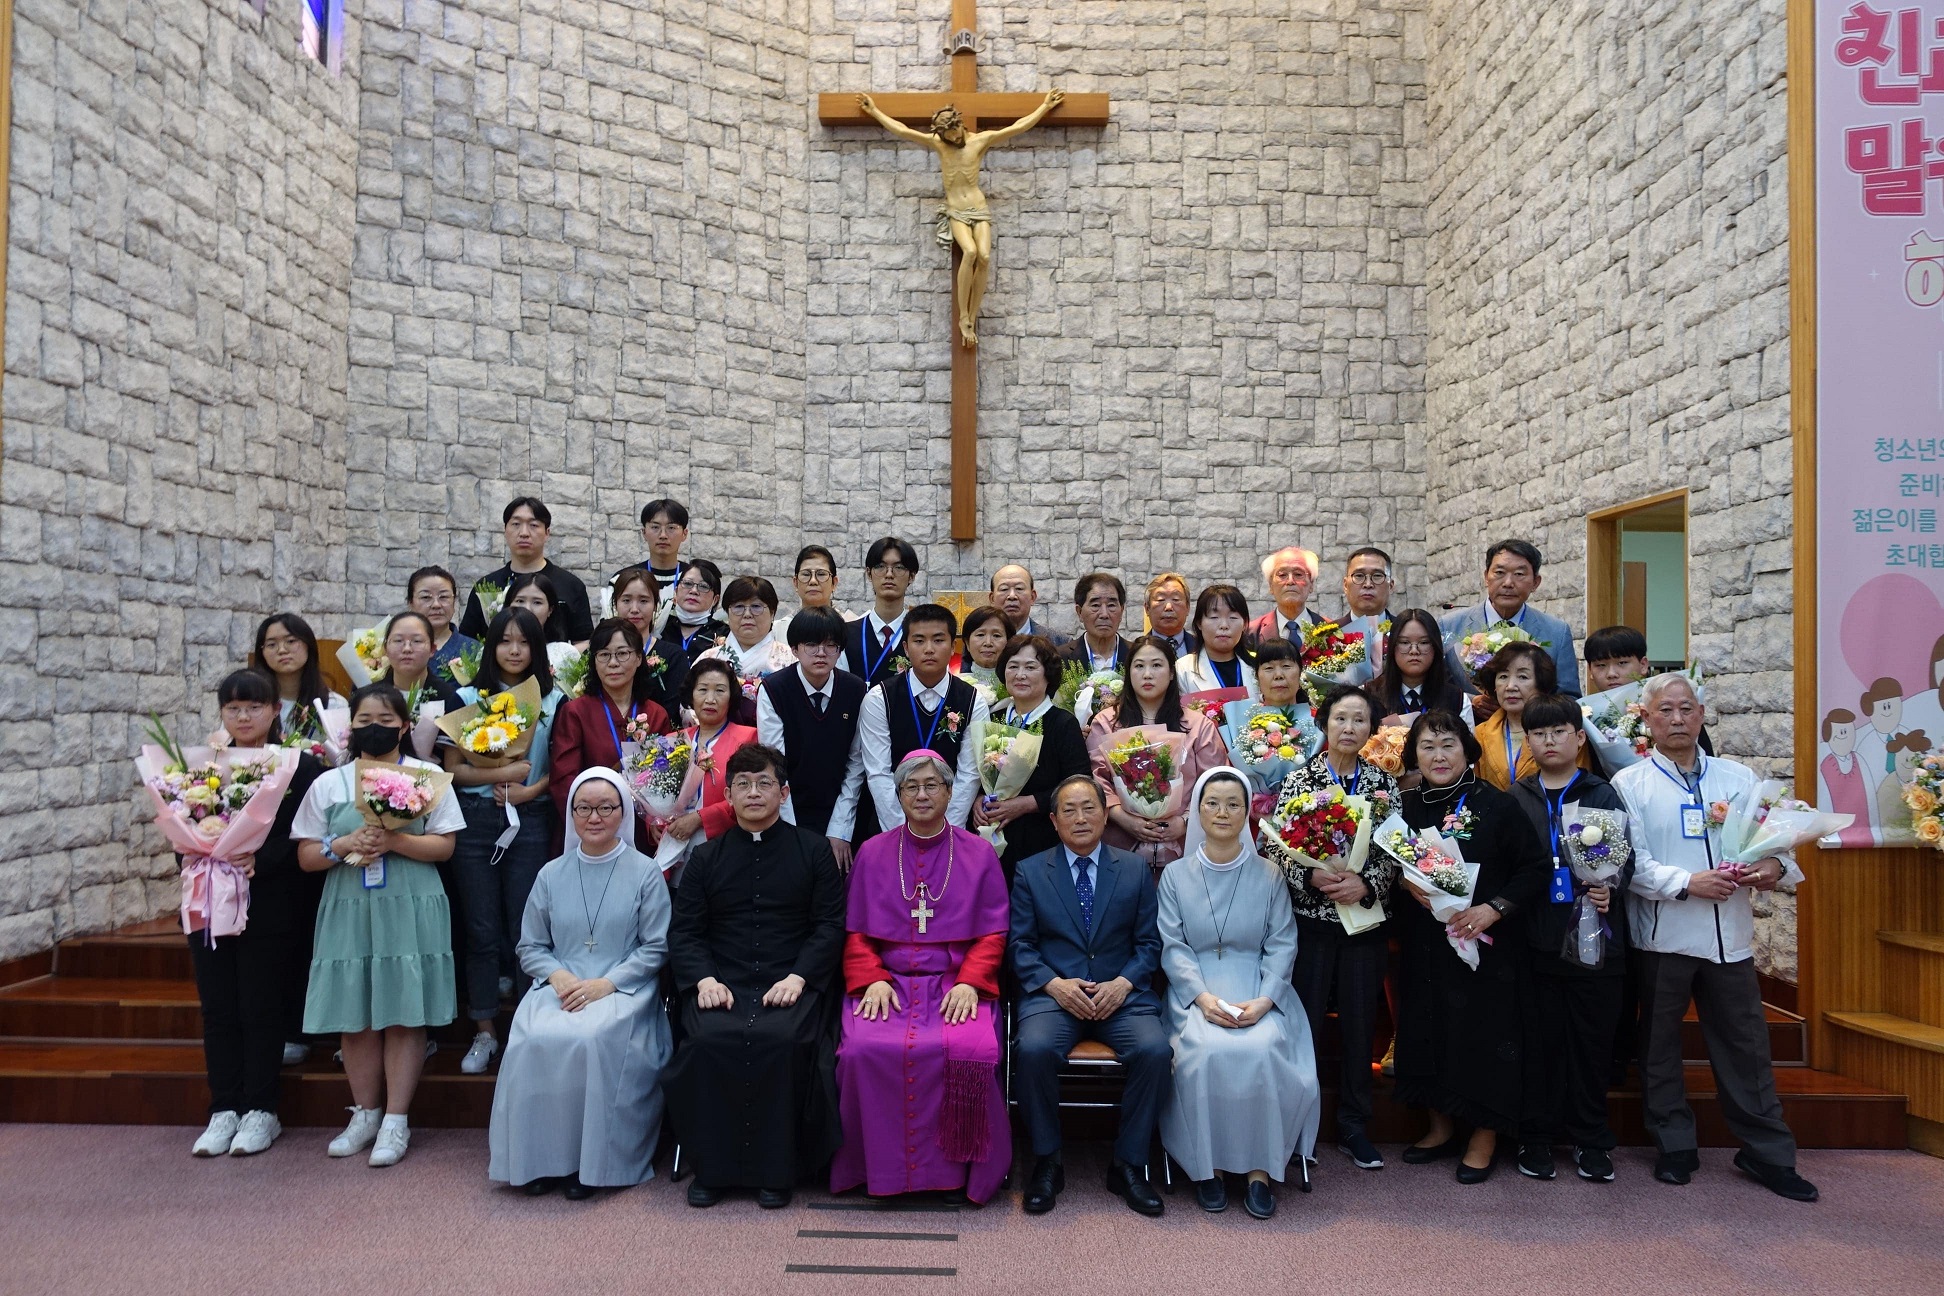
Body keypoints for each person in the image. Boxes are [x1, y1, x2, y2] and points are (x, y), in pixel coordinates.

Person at [1613, 673, 1817, 1202]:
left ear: (1702, 714)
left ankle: (1768, 1152)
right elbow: (1628, 866)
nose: (1677, 719)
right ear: (1648, 720)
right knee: (1659, 1047)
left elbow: (1774, 845)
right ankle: (1674, 1146)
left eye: (1686, 709)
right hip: (1665, 936)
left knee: (1747, 1046)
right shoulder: (1629, 785)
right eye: (1665, 711)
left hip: (1732, 937)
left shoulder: (1739, 777)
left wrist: (1774, 864)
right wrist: (1688, 882)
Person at [665, 744, 847, 1208]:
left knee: (783, 1039)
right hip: (721, 982)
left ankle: (777, 1170)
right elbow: (685, 932)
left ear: (783, 793)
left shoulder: (813, 851)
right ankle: (711, 1169)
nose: (753, 793)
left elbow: (829, 927)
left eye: (764, 783)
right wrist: (704, 980)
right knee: (708, 1039)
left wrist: (800, 978)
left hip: (791, 981)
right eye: (742, 784)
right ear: (728, 795)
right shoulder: (706, 859)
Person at [292, 682, 465, 1168]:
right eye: (366, 720)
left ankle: (395, 1120)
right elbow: (306, 854)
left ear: (406, 726)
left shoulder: (429, 776)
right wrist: (343, 844)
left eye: (387, 721)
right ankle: (364, 1113)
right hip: (349, 904)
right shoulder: (328, 782)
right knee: (355, 1011)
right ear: (352, 728)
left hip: (410, 903)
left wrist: (395, 842)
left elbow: (445, 846)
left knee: (403, 1009)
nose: (376, 728)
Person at [831, 752, 1011, 1203]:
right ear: (899, 796)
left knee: (967, 1049)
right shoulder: (873, 852)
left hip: (954, 983)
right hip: (886, 984)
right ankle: (875, 1171)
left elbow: (993, 933)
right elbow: (855, 933)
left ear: (950, 793)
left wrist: (971, 981)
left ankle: (955, 1174)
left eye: (932, 785)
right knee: (861, 1050)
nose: (923, 794)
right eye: (912, 787)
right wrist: (870, 977)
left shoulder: (978, 852)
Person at [488, 768, 673, 1200]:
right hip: (560, 985)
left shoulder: (646, 872)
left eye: (606, 807)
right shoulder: (550, 874)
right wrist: (559, 976)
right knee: (532, 1037)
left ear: (622, 812)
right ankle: (536, 1161)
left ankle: (593, 1164)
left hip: (624, 988)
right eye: (584, 808)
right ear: (570, 814)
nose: (595, 817)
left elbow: (656, 947)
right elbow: (530, 945)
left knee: (591, 1037)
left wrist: (606, 984)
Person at [1392, 711, 1549, 1183]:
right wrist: (1405, 884)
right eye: (1426, 747)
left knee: (1481, 1035)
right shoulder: (1407, 805)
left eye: (1447, 745)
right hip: (1425, 942)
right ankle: (1439, 1127)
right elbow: (1393, 863)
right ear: (1414, 756)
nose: (1437, 756)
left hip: (1484, 942)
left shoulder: (1496, 804)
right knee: (1427, 1027)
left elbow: (1534, 869)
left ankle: (1484, 1135)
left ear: (1468, 752)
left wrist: (1493, 908)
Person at [1158, 768, 1319, 1219]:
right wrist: (1203, 999)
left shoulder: (1269, 875)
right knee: (1204, 1052)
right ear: (1196, 811)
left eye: (1234, 804)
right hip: (1196, 990)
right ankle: (1205, 1169)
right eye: (1213, 803)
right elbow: (1173, 946)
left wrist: (1267, 1000)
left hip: (1258, 986)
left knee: (1265, 1047)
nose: (1223, 812)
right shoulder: (1174, 876)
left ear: (1248, 812)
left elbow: (1283, 943)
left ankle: (1259, 1172)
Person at [1011, 776, 1170, 1217]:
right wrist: (1054, 985)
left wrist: (1124, 983)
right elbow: (1019, 946)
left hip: (1121, 994)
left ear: (1105, 814)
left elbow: (1149, 945)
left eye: (1089, 808)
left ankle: (1129, 1163)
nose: (1080, 818)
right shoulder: (1030, 870)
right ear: (1054, 820)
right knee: (1034, 1048)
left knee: (1156, 1051)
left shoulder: (1135, 869)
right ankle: (1046, 1160)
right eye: (1069, 810)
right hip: (1056, 996)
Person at [185, 670, 326, 1158]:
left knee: (261, 1003)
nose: (243, 717)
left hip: (269, 900)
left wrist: (259, 861)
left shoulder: (298, 766)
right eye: (233, 709)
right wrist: (195, 851)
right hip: (208, 896)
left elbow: (305, 832)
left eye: (254, 708)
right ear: (222, 713)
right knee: (218, 1005)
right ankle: (223, 1108)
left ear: (274, 712)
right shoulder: (201, 767)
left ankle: (262, 1110)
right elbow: (185, 823)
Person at [1272, 684, 1402, 1172]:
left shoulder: (1383, 785)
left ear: (1371, 729)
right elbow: (1280, 847)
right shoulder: (1298, 780)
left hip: (1363, 922)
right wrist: (1311, 877)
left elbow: (1393, 850)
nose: (1349, 728)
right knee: (1300, 1022)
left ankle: (1353, 1124)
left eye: (1360, 720)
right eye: (1341, 719)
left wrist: (1364, 884)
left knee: (1359, 1025)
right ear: (1324, 724)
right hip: (1311, 921)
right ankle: (1292, 1124)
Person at [1509, 693, 1633, 1182]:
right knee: (1537, 1043)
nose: (1549, 740)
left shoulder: (1601, 793)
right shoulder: (1518, 798)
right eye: (1538, 733)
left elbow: (1628, 859)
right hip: (1535, 942)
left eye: (1559, 731)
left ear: (1579, 738)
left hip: (1594, 943)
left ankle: (1590, 1139)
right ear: (1528, 742)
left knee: (1590, 1044)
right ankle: (1535, 1137)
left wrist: (1610, 888)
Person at [442, 607, 560, 1077]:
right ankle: (485, 1031)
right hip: (474, 819)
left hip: (530, 818)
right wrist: (503, 771)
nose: (514, 650)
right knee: (481, 928)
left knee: (525, 928)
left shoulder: (552, 700)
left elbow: (559, 766)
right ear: (491, 647)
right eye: (505, 641)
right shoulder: (469, 696)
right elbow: (452, 769)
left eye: (524, 642)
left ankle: (527, 1029)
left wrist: (528, 788)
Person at [846, 604, 991, 838]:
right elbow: (878, 773)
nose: (929, 649)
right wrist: (902, 833)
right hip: (890, 826)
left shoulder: (974, 701)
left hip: (951, 830)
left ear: (954, 645)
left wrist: (946, 832)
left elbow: (969, 775)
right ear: (905, 647)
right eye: (919, 640)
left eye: (938, 640)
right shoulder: (879, 698)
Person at [1087, 636, 1230, 868]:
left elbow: (1214, 783)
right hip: (1121, 844)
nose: (1147, 674)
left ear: (1172, 673)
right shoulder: (1106, 723)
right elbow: (1096, 779)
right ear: (1128, 672)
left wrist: (1185, 822)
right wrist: (1124, 819)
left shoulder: (1198, 725)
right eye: (1139, 666)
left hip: (1185, 846)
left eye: (1156, 665)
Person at [971, 634, 1093, 881]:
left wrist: (1026, 804)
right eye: (1013, 666)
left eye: (1030, 667)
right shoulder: (992, 718)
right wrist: (978, 800)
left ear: (1048, 674)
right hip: (990, 839)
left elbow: (1080, 784)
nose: (1020, 674)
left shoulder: (1062, 723)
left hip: (1042, 841)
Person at [756, 607, 868, 859]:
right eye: (811, 644)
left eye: (831, 645)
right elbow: (775, 766)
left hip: (843, 809)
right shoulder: (774, 690)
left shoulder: (855, 690)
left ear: (840, 650)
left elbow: (856, 762)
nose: (821, 653)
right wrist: (790, 832)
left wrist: (840, 829)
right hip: (789, 807)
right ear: (794, 649)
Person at [548, 620, 673, 844]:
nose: (613, 663)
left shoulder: (656, 714)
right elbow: (564, 780)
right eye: (604, 655)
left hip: (641, 830)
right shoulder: (575, 712)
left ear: (638, 658)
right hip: (590, 827)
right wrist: (590, 817)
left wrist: (657, 819)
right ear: (594, 662)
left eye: (622, 653)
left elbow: (665, 780)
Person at [1440, 539, 1581, 697]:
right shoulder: (1449, 625)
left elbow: (1569, 697)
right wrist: (1470, 703)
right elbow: (1436, 688)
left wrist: (1531, 705)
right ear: (1486, 576)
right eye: (1499, 573)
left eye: (1519, 574)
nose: (1508, 583)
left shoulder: (1557, 632)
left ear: (1535, 582)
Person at [459, 496, 594, 645]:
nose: (524, 532)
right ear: (505, 530)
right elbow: (468, 642)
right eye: (516, 524)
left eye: (533, 525)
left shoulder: (571, 585)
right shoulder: (485, 587)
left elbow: (584, 642)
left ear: (547, 533)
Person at [659, 659, 760, 850]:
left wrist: (700, 818)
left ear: (731, 697)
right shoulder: (672, 740)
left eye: (720, 690)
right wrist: (654, 824)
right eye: (703, 690)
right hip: (673, 842)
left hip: (725, 845)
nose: (710, 699)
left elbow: (748, 795)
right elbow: (655, 793)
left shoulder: (747, 738)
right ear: (691, 695)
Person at [1474, 641, 1594, 791]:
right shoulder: (1479, 734)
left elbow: (1582, 785)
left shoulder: (1565, 731)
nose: (1510, 686)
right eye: (1503, 676)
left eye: (1523, 677)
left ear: (1541, 683)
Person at [1584, 625, 1714, 755]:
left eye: (1622, 663)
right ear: (1590, 670)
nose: (1611, 673)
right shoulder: (1588, 719)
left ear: (1643, 665)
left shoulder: (1673, 708)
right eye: (1601, 665)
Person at [697, 576, 795, 724]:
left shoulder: (790, 659)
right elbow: (688, 706)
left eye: (756, 606)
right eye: (738, 607)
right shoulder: (709, 658)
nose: (747, 614)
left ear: (773, 612)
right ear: (727, 613)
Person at [252, 612, 344, 743]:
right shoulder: (249, 704)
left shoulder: (334, 705)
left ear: (308, 645)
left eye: (290, 641)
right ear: (262, 653)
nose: (282, 650)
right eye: (272, 644)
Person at [608, 566, 686, 714]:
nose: (634, 609)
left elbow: (673, 711)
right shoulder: (599, 652)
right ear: (615, 604)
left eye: (643, 601)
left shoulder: (674, 656)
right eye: (626, 600)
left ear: (655, 605)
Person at [842, 536, 920, 686]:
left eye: (899, 567)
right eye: (880, 566)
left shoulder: (920, 634)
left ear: (912, 576)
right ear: (869, 573)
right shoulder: (846, 634)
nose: (889, 574)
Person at [1370, 608, 1467, 723]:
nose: (1414, 651)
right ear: (1392, 647)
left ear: (1435, 647)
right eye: (1405, 643)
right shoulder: (1370, 694)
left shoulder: (1457, 699)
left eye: (1424, 642)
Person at [375, 611, 463, 718]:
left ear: (432, 649)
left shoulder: (452, 699)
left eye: (417, 641)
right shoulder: (369, 698)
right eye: (398, 640)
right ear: (385, 649)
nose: (407, 648)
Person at [1176, 584, 1259, 698]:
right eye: (1214, 617)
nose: (1224, 625)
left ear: (1245, 624)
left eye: (1233, 617)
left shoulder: (1257, 667)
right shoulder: (1182, 669)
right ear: (1199, 623)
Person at [409, 566, 479, 684]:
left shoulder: (474, 650)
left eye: (444, 597)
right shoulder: (397, 647)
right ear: (410, 603)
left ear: (454, 602)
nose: (436, 605)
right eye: (426, 597)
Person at [506, 569, 584, 672]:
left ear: (550, 610)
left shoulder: (566, 654)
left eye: (537, 602)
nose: (527, 609)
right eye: (520, 601)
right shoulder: (492, 650)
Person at [1248, 546, 1323, 644]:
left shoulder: (1331, 630)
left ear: (1311, 584)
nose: (1290, 581)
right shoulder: (1251, 633)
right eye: (1282, 575)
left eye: (1298, 574)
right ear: (1271, 585)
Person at [1059, 572, 1132, 673]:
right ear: (1079, 612)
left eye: (1111, 605)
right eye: (1095, 605)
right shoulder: (1060, 658)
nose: (1104, 614)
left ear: (1122, 610)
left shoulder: (1137, 654)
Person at [660, 560, 728, 665]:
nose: (694, 591)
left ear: (715, 599)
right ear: (676, 591)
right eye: (687, 583)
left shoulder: (724, 633)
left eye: (703, 586)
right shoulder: (660, 627)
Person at [773, 544, 843, 642]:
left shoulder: (850, 626)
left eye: (821, 574)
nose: (813, 581)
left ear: (834, 583)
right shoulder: (777, 631)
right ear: (796, 583)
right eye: (806, 574)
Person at [991, 563, 1070, 647]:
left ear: (1032, 597)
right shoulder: (979, 643)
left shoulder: (1060, 642)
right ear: (992, 599)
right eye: (1004, 589)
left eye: (1019, 588)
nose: (1012, 596)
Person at [624, 498, 691, 590]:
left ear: (684, 534)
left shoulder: (696, 581)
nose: (663, 535)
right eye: (655, 527)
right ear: (644, 532)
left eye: (671, 528)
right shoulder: (624, 579)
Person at [955, 604, 1012, 700]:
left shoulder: (1017, 686)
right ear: (967, 643)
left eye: (997, 636)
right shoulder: (954, 687)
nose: (988, 643)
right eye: (980, 635)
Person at [1143, 572, 1199, 659]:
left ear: (1187, 607)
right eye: (1160, 600)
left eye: (1176, 599)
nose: (1168, 607)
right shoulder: (1135, 650)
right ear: (1147, 608)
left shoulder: (1203, 648)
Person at [1340, 547, 1397, 623]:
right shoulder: (1326, 634)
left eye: (1377, 576)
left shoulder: (1404, 632)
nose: (1368, 584)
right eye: (1359, 576)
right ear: (1345, 585)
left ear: (1390, 586)